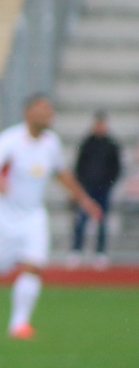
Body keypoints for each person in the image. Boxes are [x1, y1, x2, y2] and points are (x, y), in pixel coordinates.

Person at [0, 94, 102, 339]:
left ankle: (19, 324)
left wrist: (84, 200)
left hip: (33, 215)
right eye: (43, 110)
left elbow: (62, 173)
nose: (49, 115)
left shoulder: (51, 143)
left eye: (50, 111)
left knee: (34, 267)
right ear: (28, 113)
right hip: (3, 217)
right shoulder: (10, 140)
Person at [72, 113, 121, 264]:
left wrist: (109, 182)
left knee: (102, 220)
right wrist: (82, 182)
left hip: (104, 188)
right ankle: (76, 250)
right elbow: (79, 165)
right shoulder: (87, 143)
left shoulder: (111, 144)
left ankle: (100, 252)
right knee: (81, 220)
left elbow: (116, 167)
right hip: (88, 188)